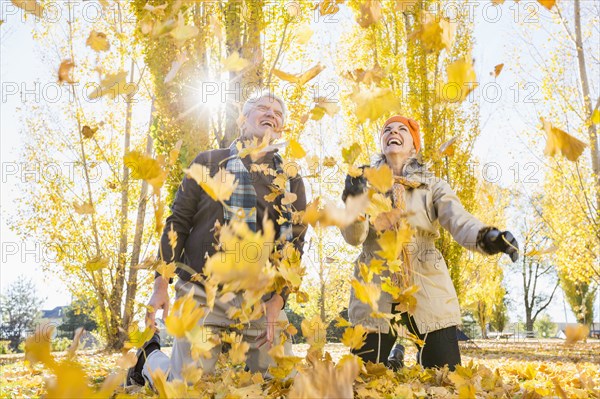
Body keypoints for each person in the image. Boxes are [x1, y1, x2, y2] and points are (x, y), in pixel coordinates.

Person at [126, 91, 307, 386]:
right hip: (201, 291)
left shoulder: (290, 178)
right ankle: (148, 358)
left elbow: (295, 242)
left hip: (258, 298)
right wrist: (161, 284)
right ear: (243, 120)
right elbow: (178, 223)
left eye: (278, 113)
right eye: (262, 108)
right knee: (185, 386)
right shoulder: (208, 161)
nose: (271, 114)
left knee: (281, 381)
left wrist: (279, 300)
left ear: (282, 128)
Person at [340, 115, 519, 371]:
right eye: (387, 130)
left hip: (427, 280)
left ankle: (406, 354)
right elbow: (353, 237)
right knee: (365, 377)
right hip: (376, 285)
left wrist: (487, 237)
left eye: (402, 129)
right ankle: (394, 360)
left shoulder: (432, 185)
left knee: (446, 374)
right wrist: (353, 202)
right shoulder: (363, 185)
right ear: (382, 143)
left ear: (414, 146)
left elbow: (458, 220)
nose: (394, 132)